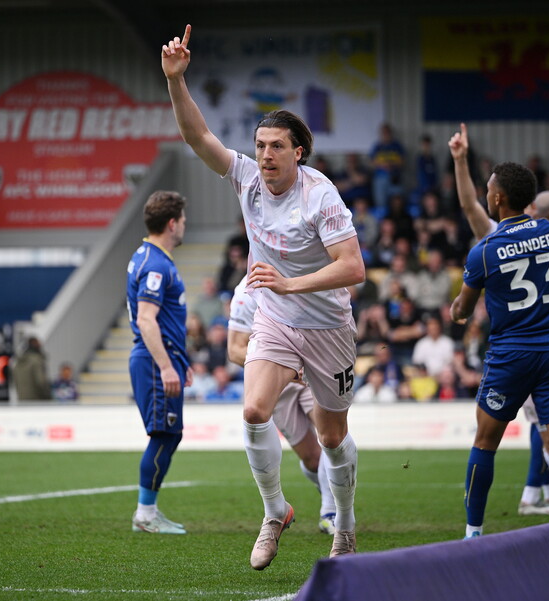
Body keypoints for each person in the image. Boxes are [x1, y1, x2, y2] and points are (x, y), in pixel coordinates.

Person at [163, 24, 365, 567]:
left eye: (276, 146)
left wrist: (291, 281)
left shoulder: (321, 195)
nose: (265, 155)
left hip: (327, 325)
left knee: (332, 435)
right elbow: (198, 138)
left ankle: (344, 525)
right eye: (259, 145)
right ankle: (275, 512)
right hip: (276, 320)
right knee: (253, 410)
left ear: (298, 152)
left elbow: (354, 268)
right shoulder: (247, 179)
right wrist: (176, 80)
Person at [451, 160, 549, 538]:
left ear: (498, 197)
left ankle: (473, 532)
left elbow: (464, 310)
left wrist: (456, 310)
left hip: (510, 357)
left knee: (485, 443)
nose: (486, 193)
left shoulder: (484, 251)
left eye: (488, 188)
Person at [227, 275, 339, 535]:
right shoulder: (246, 290)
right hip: (276, 382)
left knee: (330, 437)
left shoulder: (304, 272)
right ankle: (332, 489)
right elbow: (234, 350)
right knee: (312, 459)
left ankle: (330, 512)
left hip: (311, 371)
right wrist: (277, 362)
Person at [127, 190, 194, 535]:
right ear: (172, 223)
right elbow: (146, 320)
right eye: (182, 220)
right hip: (154, 362)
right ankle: (145, 513)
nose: (185, 225)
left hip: (161, 358)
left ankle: (147, 511)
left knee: (169, 434)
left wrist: (180, 361)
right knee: (164, 435)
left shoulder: (148, 257)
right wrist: (167, 366)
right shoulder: (155, 264)